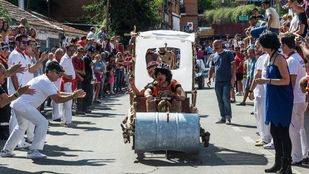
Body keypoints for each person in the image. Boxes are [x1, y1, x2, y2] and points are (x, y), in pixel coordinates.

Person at [0, 61, 86, 159]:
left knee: (21, 126)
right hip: (23, 105)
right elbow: (58, 99)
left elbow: (58, 94)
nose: (59, 76)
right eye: (58, 73)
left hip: (18, 104)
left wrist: (74, 94)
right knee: (43, 123)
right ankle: (33, 151)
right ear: (50, 72)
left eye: (60, 73)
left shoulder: (45, 80)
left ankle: (6, 150)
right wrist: (74, 96)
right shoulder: (45, 81)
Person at [255, 32, 294, 174]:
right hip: (273, 98)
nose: (259, 46)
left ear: (267, 44)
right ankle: (278, 163)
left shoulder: (279, 58)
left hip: (282, 99)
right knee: (274, 131)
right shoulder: (270, 57)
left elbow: (286, 80)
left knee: (283, 133)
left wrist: (266, 80)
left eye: (261, 43)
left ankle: (287, 165)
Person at [281, 33, 308, 165]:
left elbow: (290, 83)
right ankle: (304, 153)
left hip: (295, 100)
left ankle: (296, 157)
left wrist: (285, 100)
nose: (281, 47)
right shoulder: (298, 57)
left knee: (294, 131)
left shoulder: (291, 60)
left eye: (282, 45)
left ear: (286, 45)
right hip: (301, 99)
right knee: (301, 129)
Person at [208, 40, 236, 125]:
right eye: (214, 45)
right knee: (220, 100)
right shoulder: (214, 56)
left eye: (216, 45)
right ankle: (222, 117)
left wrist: (233, 77)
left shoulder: (228, 53)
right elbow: (212, 68)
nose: (215, 47)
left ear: (221, 45)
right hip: (217, 81)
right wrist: (209, 78)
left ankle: (228, 117)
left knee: (225, 98)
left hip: (226, 80)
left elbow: (233, 65)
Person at [59, 44, 76, 127]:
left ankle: (65, 119)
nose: (72, 52)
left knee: (68, 102)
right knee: (68, 102)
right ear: (67, 50)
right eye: (71, 50)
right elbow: (60, 70)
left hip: (70, 82)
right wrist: (66, 76)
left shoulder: (69, 58)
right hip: (67, 82)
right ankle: (68, 121)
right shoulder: (64, 59)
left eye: (73, 50)